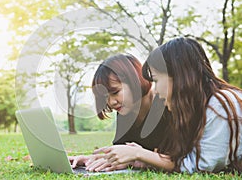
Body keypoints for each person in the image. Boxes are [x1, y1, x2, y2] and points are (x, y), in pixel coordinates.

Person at [97, 37, 242, 173]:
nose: (156, 90)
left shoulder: (219, 105)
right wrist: (142, 159)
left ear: (180, 77)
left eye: (157, 80)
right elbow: (181, 157)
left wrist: (139, 153)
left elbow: (201, 165)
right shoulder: (196, 107)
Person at [69, 53, 170, 172]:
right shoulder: (126, 111)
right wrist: (91, 159)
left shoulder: (167, 103)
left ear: (135, 80)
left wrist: (140, 156)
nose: (111, 102)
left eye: (115, 92)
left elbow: (180, 160)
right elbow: (125, 154)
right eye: (105, 97)